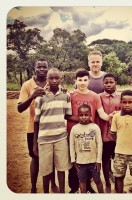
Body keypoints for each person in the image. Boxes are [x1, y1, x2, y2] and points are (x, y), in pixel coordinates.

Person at [66, 68, 111, 193]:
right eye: (80, 80)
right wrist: (81, 120)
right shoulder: (71, 96)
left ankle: (88, 187)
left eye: (85, 80)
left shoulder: (95, 96)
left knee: (90, 162)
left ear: (89, 81)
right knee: (73, 161)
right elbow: (65, 114)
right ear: (76, 81)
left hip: (89, 136)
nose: (82, 82)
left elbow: (101, 113)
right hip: (73, 133)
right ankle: (74, 188)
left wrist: (110, 117)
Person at [17, 58, 59, 193]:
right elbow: (19, 108)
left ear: (48, 68)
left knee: (51, 158)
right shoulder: (27, 85)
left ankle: (53, 184)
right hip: (33, 129)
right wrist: (32, 96)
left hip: (51, 127)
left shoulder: (52, 81)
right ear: (34, 68)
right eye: (39, 67)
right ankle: (33, 187)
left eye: (44, 67)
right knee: (35, 158)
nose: (42, 69)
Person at [33, 68, 72, 193]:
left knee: (61, 168)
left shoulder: (66, 96)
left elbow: (67, 115)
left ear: (61, 79)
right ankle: (46, 193)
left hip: (61, 138)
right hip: (44, 140)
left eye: (57, 78)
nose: (54, 81)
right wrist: (35, 143)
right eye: (51, 78)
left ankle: (61, 193)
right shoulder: (40, 97)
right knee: (46, 170)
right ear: (47, 79)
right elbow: (36, 121)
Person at [70, 104, 104, 193]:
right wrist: (73, 160)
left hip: (93, 162)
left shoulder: (95, 127)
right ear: (78, 115)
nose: (83, 117)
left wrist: (98, 160)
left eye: (86, 115)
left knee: (97, 180)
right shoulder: (74, 128)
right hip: (80, 162)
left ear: (90, 115)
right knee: (82, 181)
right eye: (81, 115)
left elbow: (99, 144)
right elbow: (72, 145)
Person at [98, 73, 121, 193]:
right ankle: (107, 183)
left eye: (111, 82)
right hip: (103, 135)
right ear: (103, 83)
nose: (108, 84)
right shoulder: (99, 97)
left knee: (118, 160)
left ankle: (118, 184)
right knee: (105, 159)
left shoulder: (121, 97)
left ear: (116, 82)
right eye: (106, 82)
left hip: (118, 136)